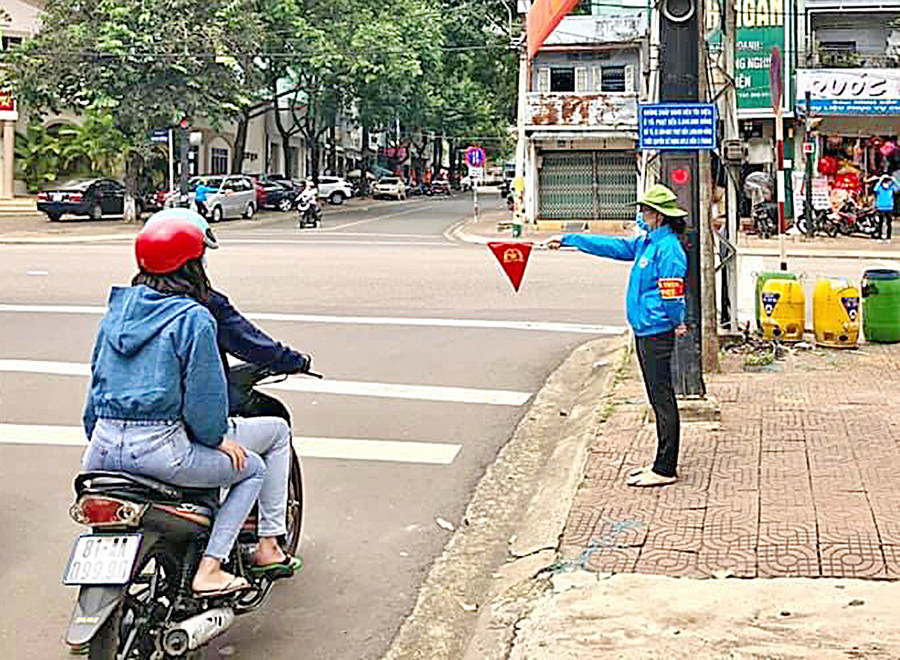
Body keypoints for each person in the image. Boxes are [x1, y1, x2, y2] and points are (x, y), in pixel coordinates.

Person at [81, 218, 300, 597]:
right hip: (162, 450)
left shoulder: (116, 312)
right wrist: (217, 439)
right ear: (192, 264)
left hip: (100, 450)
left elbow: (97, 383)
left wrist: (100, 436)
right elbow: (204, 398)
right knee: (256, 463)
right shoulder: (195, 316)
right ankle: (233, 559)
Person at [546, 184, 689, 487]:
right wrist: (570, 240)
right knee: (657, 396)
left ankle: (665, 468)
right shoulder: (647, 243)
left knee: (662, 398)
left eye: (646, 211)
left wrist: (677, 321)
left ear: (659, 216)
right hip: (646, 329)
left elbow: (673, 295)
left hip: (656, 331)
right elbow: (612, 247)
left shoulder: (669, 249)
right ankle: (662, 462)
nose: (641, 215)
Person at [144, 208, 311, 421]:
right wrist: (293, 361)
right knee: (275, 422)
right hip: (186, 413)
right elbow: (250, 343)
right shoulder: (202, 308)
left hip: (130, 415)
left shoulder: (126, 306)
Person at [871, 172, 899, 241]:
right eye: (885, 181)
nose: (886, 183)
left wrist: (894, 180)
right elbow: (875, 189)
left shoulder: (891, 188)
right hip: (881, 207)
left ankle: (888, 237)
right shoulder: (880, 188)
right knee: (880, 223)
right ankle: (879, 237)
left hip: (889, 207)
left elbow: (898, 188)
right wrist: (880, 179)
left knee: (888, 223)